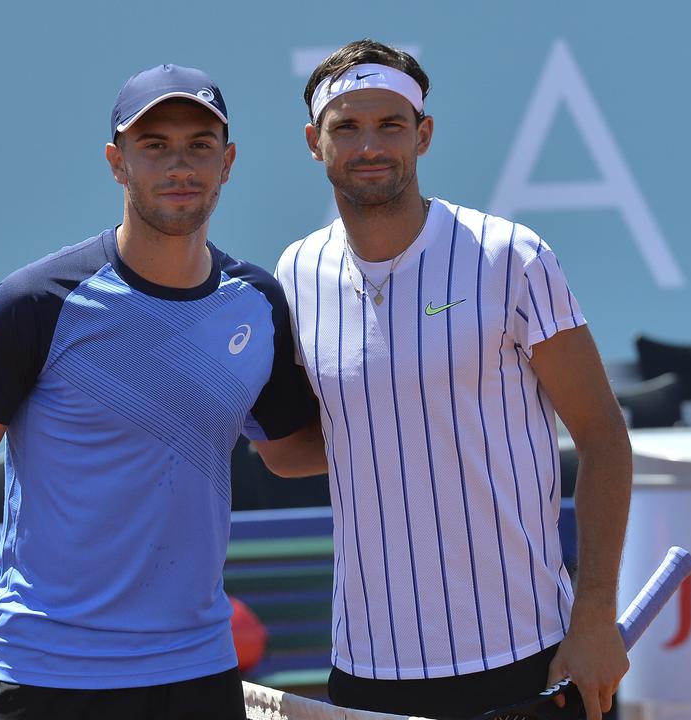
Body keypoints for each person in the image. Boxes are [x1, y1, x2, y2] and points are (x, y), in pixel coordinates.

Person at [0, 64, 322, 720]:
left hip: (198, 674)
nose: (180, 165)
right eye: (154, 146)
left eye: (200, 145)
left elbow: (291, 452)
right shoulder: (33, 304)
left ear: (227, 162)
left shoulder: (257, 303)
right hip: (46, 675)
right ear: (117, 163)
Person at [270, 40, 633, 720]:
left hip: (532, 657)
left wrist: (594, 620)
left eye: (390, 125)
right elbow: (292, 451)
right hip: (367, 672)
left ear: (423, 135)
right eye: (346, 127)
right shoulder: (294, 273)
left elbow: (603, 434)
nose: (369, 145)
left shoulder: (511, 257)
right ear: (314, 141)